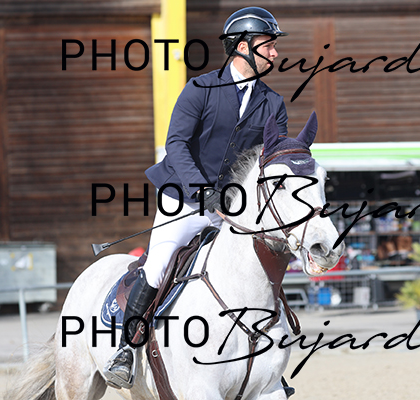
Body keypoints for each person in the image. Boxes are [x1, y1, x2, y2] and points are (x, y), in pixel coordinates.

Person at [104, 6, 290, 390]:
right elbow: (176, 145)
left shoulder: (273, 104)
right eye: (268, 45)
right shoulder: (200, 89)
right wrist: (202, 191)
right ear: (243, 47)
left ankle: (266, 365)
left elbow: (271, 160)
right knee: (158, 266)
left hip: (232, 208)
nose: (275, 52)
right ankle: (126, 349)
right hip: (183, 197)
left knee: (253, 270)